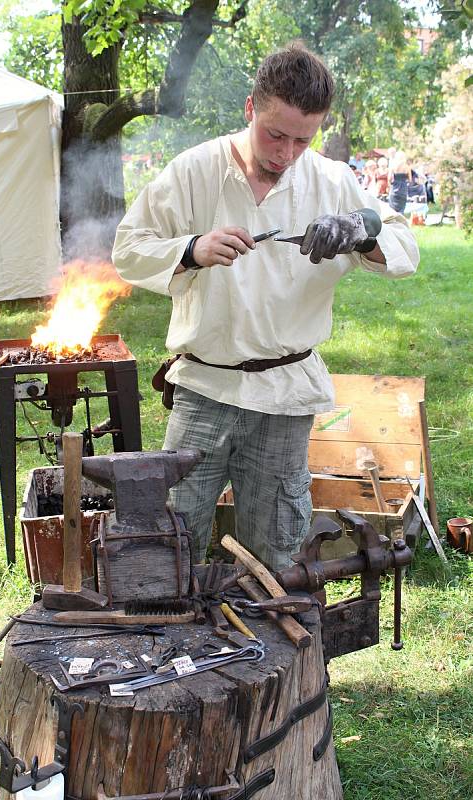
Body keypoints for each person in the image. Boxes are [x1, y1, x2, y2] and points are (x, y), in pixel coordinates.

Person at [112, 42, 419, 571]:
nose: (286, 153)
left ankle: (268, 647)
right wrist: (191, 249)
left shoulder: (331, 180)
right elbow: (128, 249)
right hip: (205, 388)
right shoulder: (195, 171)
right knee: (171, 535)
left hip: (285, 394)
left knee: (275, 549)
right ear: (251, 107)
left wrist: (360, 230)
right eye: (275, 134)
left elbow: (403, 247)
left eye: (303, 139)